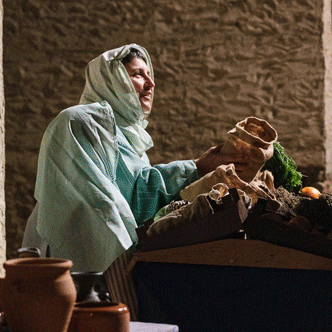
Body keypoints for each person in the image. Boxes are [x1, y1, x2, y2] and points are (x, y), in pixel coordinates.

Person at [25, 44, 243, 275]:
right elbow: (116, 198)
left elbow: (138, 202)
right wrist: (195, 167)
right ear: (112, 80)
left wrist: (197, 168)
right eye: (138, 74)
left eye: (150, 75)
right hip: (73, 265)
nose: (151, 84)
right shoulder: (82, 123)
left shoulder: (129, 138)